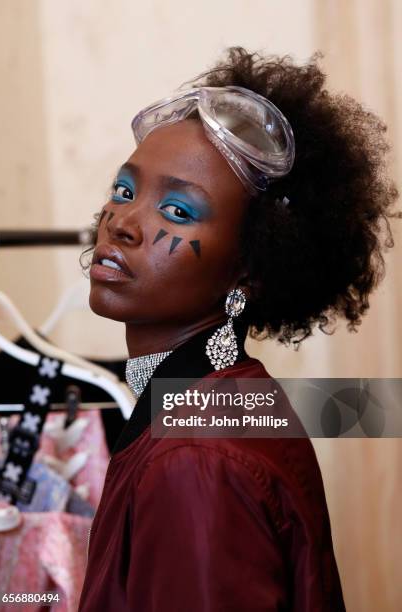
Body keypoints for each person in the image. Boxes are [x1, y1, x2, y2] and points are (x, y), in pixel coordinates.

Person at [78, 47, 399, 611]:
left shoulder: (194, 462)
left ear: (250, 265)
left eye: (178, 212)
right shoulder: (231, 399)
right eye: (124, 191)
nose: (122, 222)